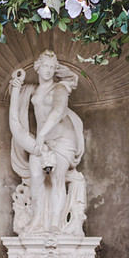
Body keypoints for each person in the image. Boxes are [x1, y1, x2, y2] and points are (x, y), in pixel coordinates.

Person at [8, 51, 86, 235]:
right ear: (38, 67)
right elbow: (15, 107)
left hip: (63, 139)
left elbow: (58, 111)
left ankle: (55, 224)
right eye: (45, 66)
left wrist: (41, 133)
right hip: (43, 142)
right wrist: (17, 87)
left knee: (58, 179)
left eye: (52, 67)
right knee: (36, 177)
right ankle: (36, 221)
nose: (49, 70)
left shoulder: (59, 88)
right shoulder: (33, 90)